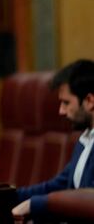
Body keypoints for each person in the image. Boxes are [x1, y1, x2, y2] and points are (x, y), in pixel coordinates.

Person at [12, 59, 94, 222]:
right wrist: (1, 197)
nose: (61, 111)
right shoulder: (86, 139)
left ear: (90, 101)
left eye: (66, 102)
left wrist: (34, 205)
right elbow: (58, 186)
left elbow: (89, 197)